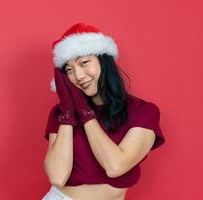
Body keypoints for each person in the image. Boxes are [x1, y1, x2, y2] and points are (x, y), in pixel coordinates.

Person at [42, 22, 166, 200]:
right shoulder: (61, 114)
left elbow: (115, 166)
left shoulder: (143, 112)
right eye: (69, 70)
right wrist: (69, 112)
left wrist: (84, 111)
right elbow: (57, 176)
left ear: (104, 60)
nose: (78, 76)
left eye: (84, 63)